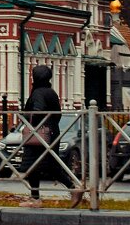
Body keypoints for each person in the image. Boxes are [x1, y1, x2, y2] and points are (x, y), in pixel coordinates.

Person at [19, 64, 83, 208]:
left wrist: (27, 118)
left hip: (38, 135)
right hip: (52, 133)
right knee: (51, 166)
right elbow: (57, 114)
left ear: (35, 77)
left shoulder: (38, 93)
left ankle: (35, 199)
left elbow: (37, 112)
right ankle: (73, 188)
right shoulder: (51, 92)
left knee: (32, 166)